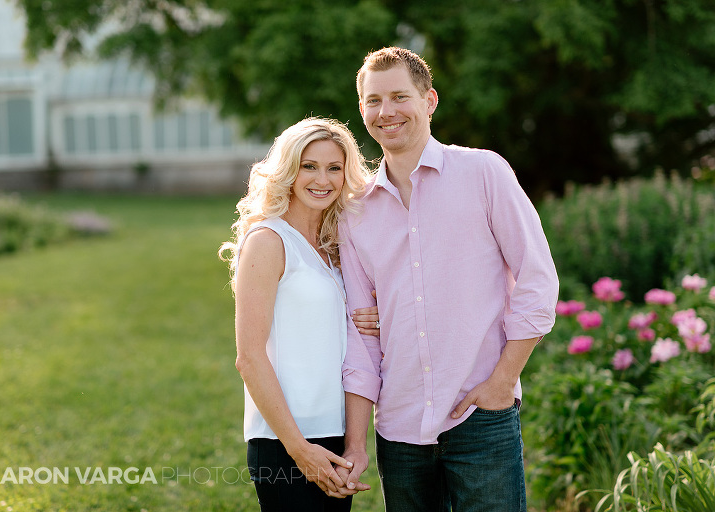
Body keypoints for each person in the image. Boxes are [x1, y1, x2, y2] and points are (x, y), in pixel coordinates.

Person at [334, 47, 559, 511]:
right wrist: (356, 443)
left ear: (430, 100)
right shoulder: (354, 211)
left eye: (400, 96)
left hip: (480, 415)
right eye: (374, 101)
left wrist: (503, 381)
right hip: (398, 427)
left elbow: (538, 278)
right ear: (362, 110)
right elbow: (361, 336)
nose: (386, 111)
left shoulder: (483, 172)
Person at [219, 117, 377, 511]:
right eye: (309, 166)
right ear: (288, 169)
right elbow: (249, 358)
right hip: (283, 441)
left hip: (335, 434)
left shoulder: (336, 247)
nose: (322, 179)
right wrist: (299, 450)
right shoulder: (268, 241)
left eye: (334, 168)